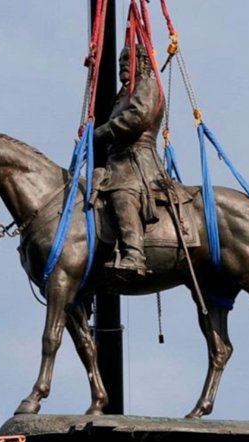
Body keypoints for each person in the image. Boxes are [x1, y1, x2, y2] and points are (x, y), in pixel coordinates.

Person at [94, 44, 167, 277]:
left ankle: (134, 254)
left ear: (142, 62)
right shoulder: (122, 95)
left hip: (137, 160)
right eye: (121, 60)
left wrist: (102, 132)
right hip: (116, 160)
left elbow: (138, 117)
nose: (122, 63)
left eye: (128, 59)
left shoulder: (147, 83)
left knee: (121, 192)